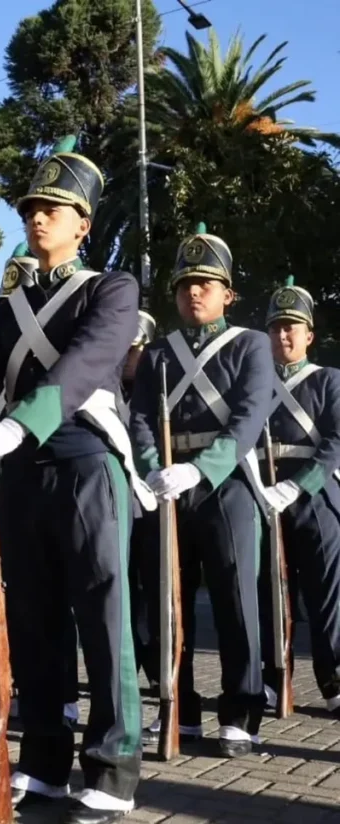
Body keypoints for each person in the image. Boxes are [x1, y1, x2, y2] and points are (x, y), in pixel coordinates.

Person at [0, 136, 153, 824]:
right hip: (26, 473)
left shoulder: (112, 288)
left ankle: (113, 767)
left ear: (83, 222)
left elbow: (88, 362)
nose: (39, 217)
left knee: (103, 616)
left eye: (55, 207)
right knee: (34, 622)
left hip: (88, 463)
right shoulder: (8, 305)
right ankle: (41, 760)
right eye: (33, 207)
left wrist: (14, 426)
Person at [130, 223, 273, 758]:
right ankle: (179, 708)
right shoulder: (158, 355)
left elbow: (249, 417)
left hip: (226, 482)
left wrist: (202, 469)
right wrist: (151, 469)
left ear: (227, 295)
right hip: (167, 485)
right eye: (186, 283)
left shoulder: (251, 345)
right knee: (165, 601)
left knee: (237, 598)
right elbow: (140, 418)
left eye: (206, 284)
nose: (194, 291)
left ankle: (240, 713)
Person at [259, 277, 340, 718]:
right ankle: (272, 680)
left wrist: (298, 486)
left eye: (292, 326)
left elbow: (336, 442)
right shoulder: (257, 384)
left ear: (309, 335)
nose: (283, 334)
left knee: (326, 594)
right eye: (275, 327)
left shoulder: (329, 381)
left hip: (315, 496)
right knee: (266, 593)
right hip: (266, 494)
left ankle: (334, 679)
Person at [124, 310, 161, 692]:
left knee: (154, 593)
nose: (125, 357)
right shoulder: (103, 390)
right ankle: (129, 665)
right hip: (115, 508)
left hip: (150, 505)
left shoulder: (155, 395)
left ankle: (157, 670)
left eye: (132, 350)